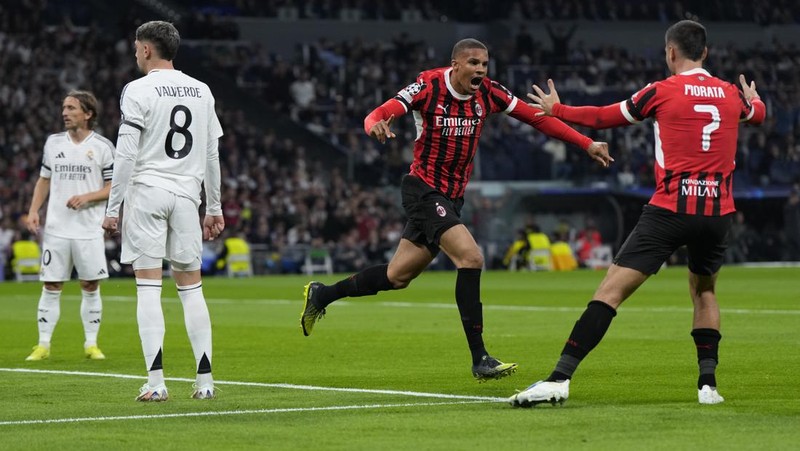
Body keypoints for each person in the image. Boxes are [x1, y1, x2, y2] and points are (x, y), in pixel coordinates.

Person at [300, 38, 612, 381]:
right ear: (456, 65)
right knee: (471, 257)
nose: (480, 69)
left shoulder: (489, 93)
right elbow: (380, 112)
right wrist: (374, 124)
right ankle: (480, 358)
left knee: (397, 276)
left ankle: (322, 294)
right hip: (423, 189)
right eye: (474, 63)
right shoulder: (428, 85)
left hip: (451, 197)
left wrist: (586, 143)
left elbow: (537, 119)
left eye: (485, 64)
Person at [509, 20, 766, 407]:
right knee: (706, 291)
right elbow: (758, 115)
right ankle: (707, 386)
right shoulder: (731, 95)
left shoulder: (660, 91)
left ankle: (559, 378)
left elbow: (601, 118)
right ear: (706, 53)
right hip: (717, 213)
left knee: (610, 292)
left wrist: (556, 108)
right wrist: (756, 99)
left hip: (670, 209)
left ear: (670, 52)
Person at [102, 21, 224, 402]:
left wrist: (113, 206)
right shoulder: (202, 91)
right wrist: (214, 205)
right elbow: (210, 154)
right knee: (191, 290)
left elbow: (125, 153)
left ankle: (156, 383)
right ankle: (204, 383)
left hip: (147, 193)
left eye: (137, 48)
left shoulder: (137, 90)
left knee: (148, 289)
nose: (136, 53)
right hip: (187, 197)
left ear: (147, 50)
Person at [24, 90, 114, 362]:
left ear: (88, 114)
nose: (65, 113)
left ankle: (91, 344)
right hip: (56, 228)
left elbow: (114, 187)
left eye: (72, 108)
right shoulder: (53, 143)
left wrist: (87, 197)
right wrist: (33, 210)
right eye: (64, 107)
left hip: (88, 229)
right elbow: (43, 180)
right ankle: (42, 345)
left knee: (89, 284)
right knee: (51, 285)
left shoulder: (102, 147)